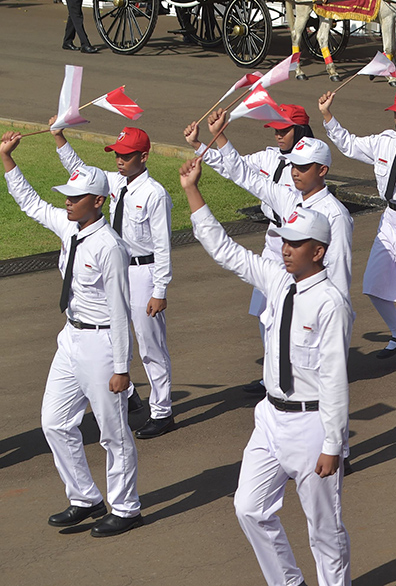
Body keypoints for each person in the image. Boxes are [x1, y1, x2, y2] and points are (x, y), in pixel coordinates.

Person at [181, 160, 351, 586]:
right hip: (271, 418)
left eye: (295, 243)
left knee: (324, 530)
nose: (284, 248)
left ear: (318, 250)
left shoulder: (330, 303)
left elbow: (333, 378)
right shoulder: (277, 280)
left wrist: (334, 442)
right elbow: (226, 251)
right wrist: (192, 191)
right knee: (249, 508)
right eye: (283, 241)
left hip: (313, 425)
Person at [1, 131, 142, 537]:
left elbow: (119, 311)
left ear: (97, 201)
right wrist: (7, 160)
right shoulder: (70, 228)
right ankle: (85, 497)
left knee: (114, 434)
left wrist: (121, 367)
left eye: (75, 197)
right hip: (71, 338)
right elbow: (29, 203)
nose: (66, 201)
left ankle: (127, 507)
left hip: (102, 344)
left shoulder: (110, 247)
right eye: (66, 195)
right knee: (54, 423)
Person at [53, 126, 175, 439]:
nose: (120, 159)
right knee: (108, 336)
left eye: (126, 155)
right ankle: (130, 391)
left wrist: (159, 290)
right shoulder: (116, 182)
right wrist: (60, 140)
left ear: (143, 156)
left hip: (142, 272)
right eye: (117, 154)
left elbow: (162, 246)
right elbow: (80, 174)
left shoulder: (154, 193)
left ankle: (162, 410)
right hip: (113, 270)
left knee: (150, 345)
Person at [185, 104, 315, 394]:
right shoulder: (268, 157)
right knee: (262, 310)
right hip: (273, 238)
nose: (278, 136)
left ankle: (296, 367)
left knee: (294, 310)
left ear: (301, 130)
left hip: (299, 242)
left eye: (284, 130)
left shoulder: (309, 163)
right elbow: (235, 168)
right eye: (276, 130)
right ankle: (273, 367)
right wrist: (200, 143)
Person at [319, 86, 396, 371]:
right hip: (390, 218)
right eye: (395, 112)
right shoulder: (385, 141)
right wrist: (327, 117)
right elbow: (349, 144)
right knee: (373, 283)